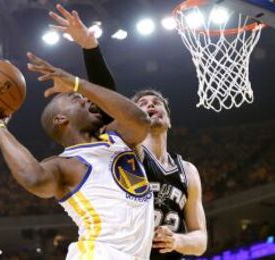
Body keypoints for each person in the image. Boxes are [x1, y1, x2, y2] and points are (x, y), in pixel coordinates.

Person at [49, 4, 208, 259]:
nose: (150, 105)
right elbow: (108, 102)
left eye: (156, 102)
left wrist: (177, 240)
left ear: (169, 119)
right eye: (142, 104)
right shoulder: (125, 151)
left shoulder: (187, 171)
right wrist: (91, 48)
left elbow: (200, 240)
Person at [0, 52, 154, 260]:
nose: (85, 99)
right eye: (76, 99)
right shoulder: (64, 165)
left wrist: (77, 84)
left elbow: (141, 120)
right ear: (61, 119)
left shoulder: (117, 137)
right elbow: (33, 178)